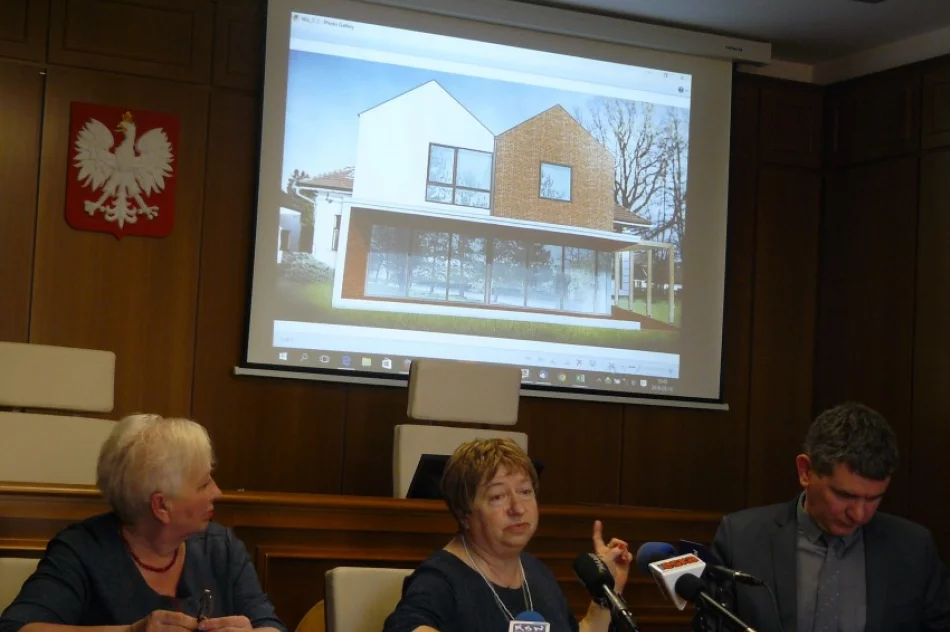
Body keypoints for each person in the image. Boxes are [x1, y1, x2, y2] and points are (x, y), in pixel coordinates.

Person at [0, 414, 286, 632]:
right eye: (203, 484)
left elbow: (269, 623)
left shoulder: (221, 547)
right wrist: (130, 631)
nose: (217, 492)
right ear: (161, 506)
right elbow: (18, 627)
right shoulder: (81, 549)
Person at [704, 402, 950, 632]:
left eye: (874, 498)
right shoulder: (741, 539)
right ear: (806, 471)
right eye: (845, 495)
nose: (860, 515)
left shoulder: (914, 548)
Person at [383, 438, 633, 632]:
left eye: (525, 491)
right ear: (464, 512)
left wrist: (605, 594)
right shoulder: (439, 579)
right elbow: (408, 625)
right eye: (497, 496)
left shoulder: (536, 572)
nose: (518, 508)